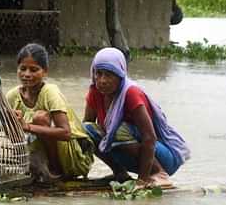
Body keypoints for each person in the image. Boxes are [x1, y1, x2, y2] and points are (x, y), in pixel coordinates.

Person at [82, 47, 191, 188]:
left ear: (120, 75)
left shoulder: (131, 93)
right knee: (86, 130)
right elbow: (87, 126)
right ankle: (120, 173)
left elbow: (150, 137)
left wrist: (142, 180)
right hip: (130, 154)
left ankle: (159, 173)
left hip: (160, 156)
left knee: (117, 129)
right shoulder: (95, 91)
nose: (102, 80)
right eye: (99, 74)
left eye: (109, 75)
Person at [4, 43, 95, 182]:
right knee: (10, 120)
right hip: (37, 153)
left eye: (34, 70)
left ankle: (55, 171)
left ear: (45, 72)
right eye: (23, 69)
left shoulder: (49, 92)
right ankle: (28, 167)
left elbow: (66, 133)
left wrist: (27, 127)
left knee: (40, 117)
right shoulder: (12, 95)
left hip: (72, 157)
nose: (27, 74)